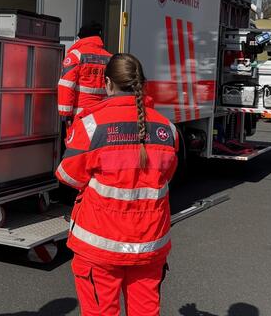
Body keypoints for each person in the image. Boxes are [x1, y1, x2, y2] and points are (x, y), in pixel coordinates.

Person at [56, 53, 179, 316]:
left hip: (100, 245)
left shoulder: (92, 126)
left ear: (108, 83)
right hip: (150, 246)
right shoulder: (167, 129)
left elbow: (67, 175)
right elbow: (166, 176)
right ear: (142, 84)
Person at [57, 22, 112, 124]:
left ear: (82, 37)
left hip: (80, 115)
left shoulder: (75, 56)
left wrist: (65, 114)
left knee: (78, 140)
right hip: (102, 114)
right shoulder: (110, 58)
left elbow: (66, 87)